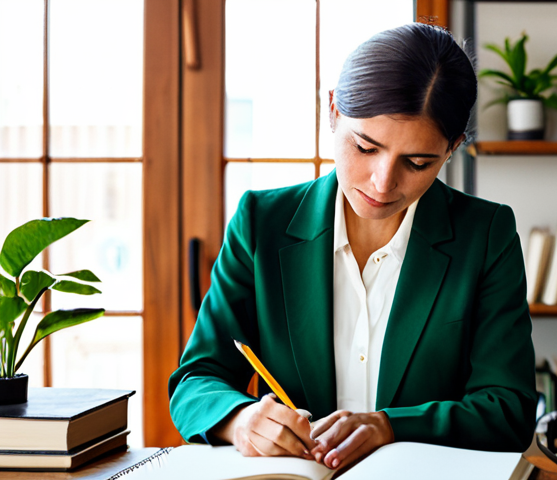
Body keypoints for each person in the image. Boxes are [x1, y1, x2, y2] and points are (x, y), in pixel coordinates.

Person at [168, 22, 537, 471]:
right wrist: (241, 419)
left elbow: (508, 410)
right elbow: (195, 381)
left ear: (452, 148)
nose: (383, 183)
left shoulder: (486, 234)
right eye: (365, 147)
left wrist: (391, 425)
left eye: (418, 163)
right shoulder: (261, 223)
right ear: (333, 111)